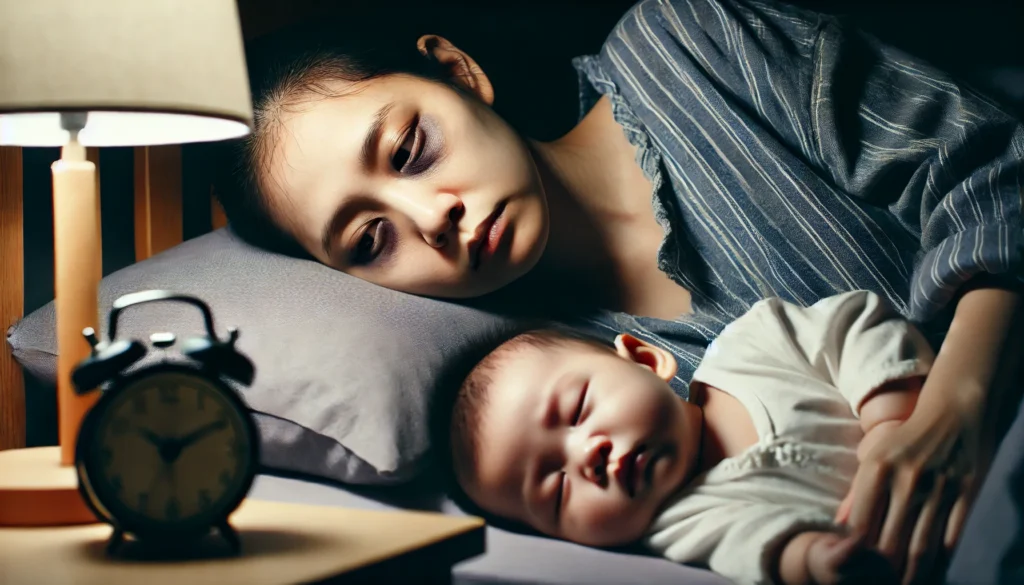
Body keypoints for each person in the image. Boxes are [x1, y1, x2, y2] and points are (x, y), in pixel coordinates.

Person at [213, 0, 1024, 566]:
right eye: (370, 238)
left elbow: (996, 168)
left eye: (408, 150)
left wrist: (956, 405)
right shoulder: (550, 393)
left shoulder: (685, 46)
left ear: (458, 73)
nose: (435, 218)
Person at [444, 290, 951, 585]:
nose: (586, 456)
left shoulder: (754, 344)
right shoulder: (680, 528)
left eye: (578, 410)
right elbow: (758, 548)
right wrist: (819, 561)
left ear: (645, 359)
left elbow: (852, 323)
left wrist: (889, 422)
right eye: (555, 490)